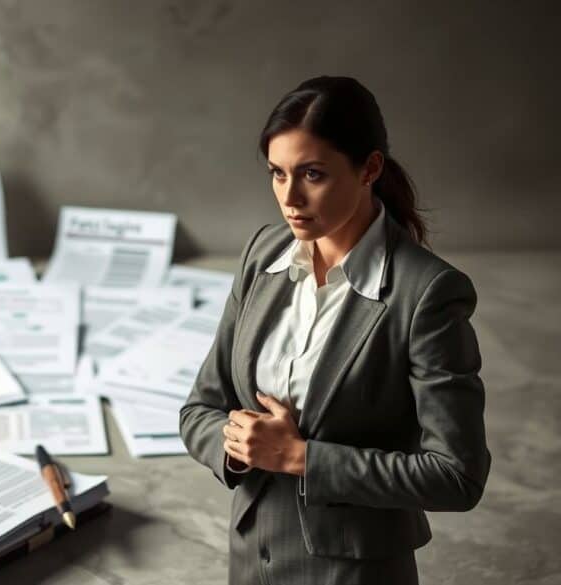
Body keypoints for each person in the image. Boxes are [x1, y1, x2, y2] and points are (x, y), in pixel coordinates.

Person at [179, 76, 491, 584]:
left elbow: (457, 475)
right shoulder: (262, 255)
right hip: (250, 559)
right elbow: (199, 409)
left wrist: (302, 458)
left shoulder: (427, 294)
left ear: (370, 168)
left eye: (313, 174)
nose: (290, 197)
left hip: (353, 572)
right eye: (277, 174)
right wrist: (239, 448)